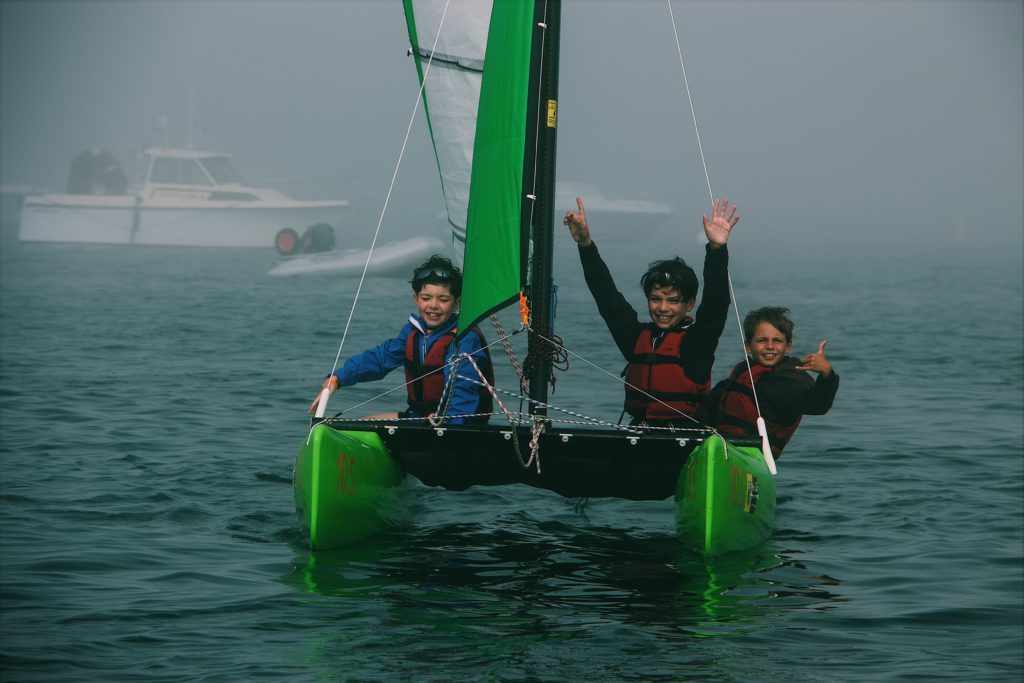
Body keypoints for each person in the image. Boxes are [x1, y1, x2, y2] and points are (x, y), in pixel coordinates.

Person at [562, 196, 740, 426]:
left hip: (685, 440)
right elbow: (606, 296)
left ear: (689, 304)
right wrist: (585, 245)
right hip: (639, 436)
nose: (663, 308)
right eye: (655, 299)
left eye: (673, 301)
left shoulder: (698, 342)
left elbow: (716, 303)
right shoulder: (636, 338)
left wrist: (716, 249)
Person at [308, 255, 494, 424]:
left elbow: (463, 389)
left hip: (457, 427)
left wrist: (448, 425)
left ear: (457, 303)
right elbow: (379, 359)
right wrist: (337, 378)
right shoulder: (413, 332)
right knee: (352, 428)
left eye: (443, 299)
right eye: (426, 298)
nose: (434, 306)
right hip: (421, 419)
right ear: (416, 299)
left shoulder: (465, 339)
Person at [701, 306, 839, 458]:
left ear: (787, 347)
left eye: (777, 341)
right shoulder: (744, 371)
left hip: (754, 457)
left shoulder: (790, 378)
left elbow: (817, 405)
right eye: (762, 340)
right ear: (748, 346)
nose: (770, 346)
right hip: (720, 447)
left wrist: (827, 375)